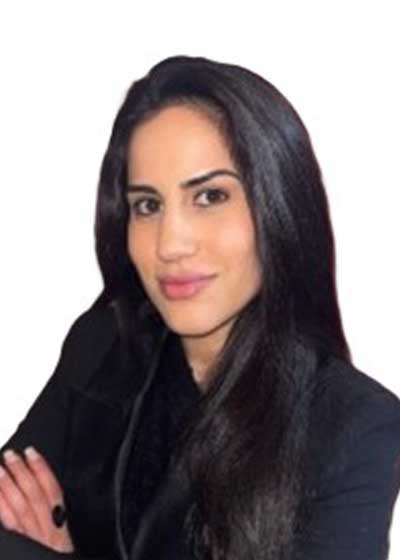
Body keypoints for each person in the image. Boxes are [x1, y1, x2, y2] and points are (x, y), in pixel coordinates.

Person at [0, 55, 399, 560]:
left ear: (279, 206)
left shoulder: (353, 429)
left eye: (210, 196)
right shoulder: (104, 345)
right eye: (148, 205)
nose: (171, 244)